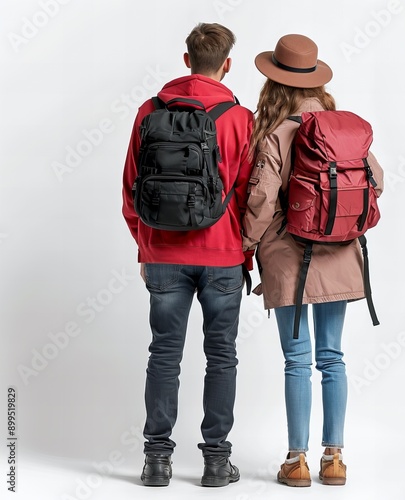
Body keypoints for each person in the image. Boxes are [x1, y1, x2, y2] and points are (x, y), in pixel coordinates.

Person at [243, 34, 384, 487]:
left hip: (290, 259)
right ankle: (335, 459)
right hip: (342, 254)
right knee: (333, 356)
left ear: (274, 84)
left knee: (297, 360)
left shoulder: (278, 132)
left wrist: (247, 243)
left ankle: (297, 460)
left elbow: (263, 199)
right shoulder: (345, 129)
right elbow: (376, 182)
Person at [122, 23, 254, 488]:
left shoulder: (149, 110)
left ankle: (156, 461)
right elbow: (246, 195)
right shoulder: (240, 118)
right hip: (223, 255)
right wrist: (245, 252)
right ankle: (216, 463)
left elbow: (131, 188)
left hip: (163, 255)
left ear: (185, 60)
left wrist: (146, 244)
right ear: (227, 64)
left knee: (164, 354)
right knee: (221, 356)